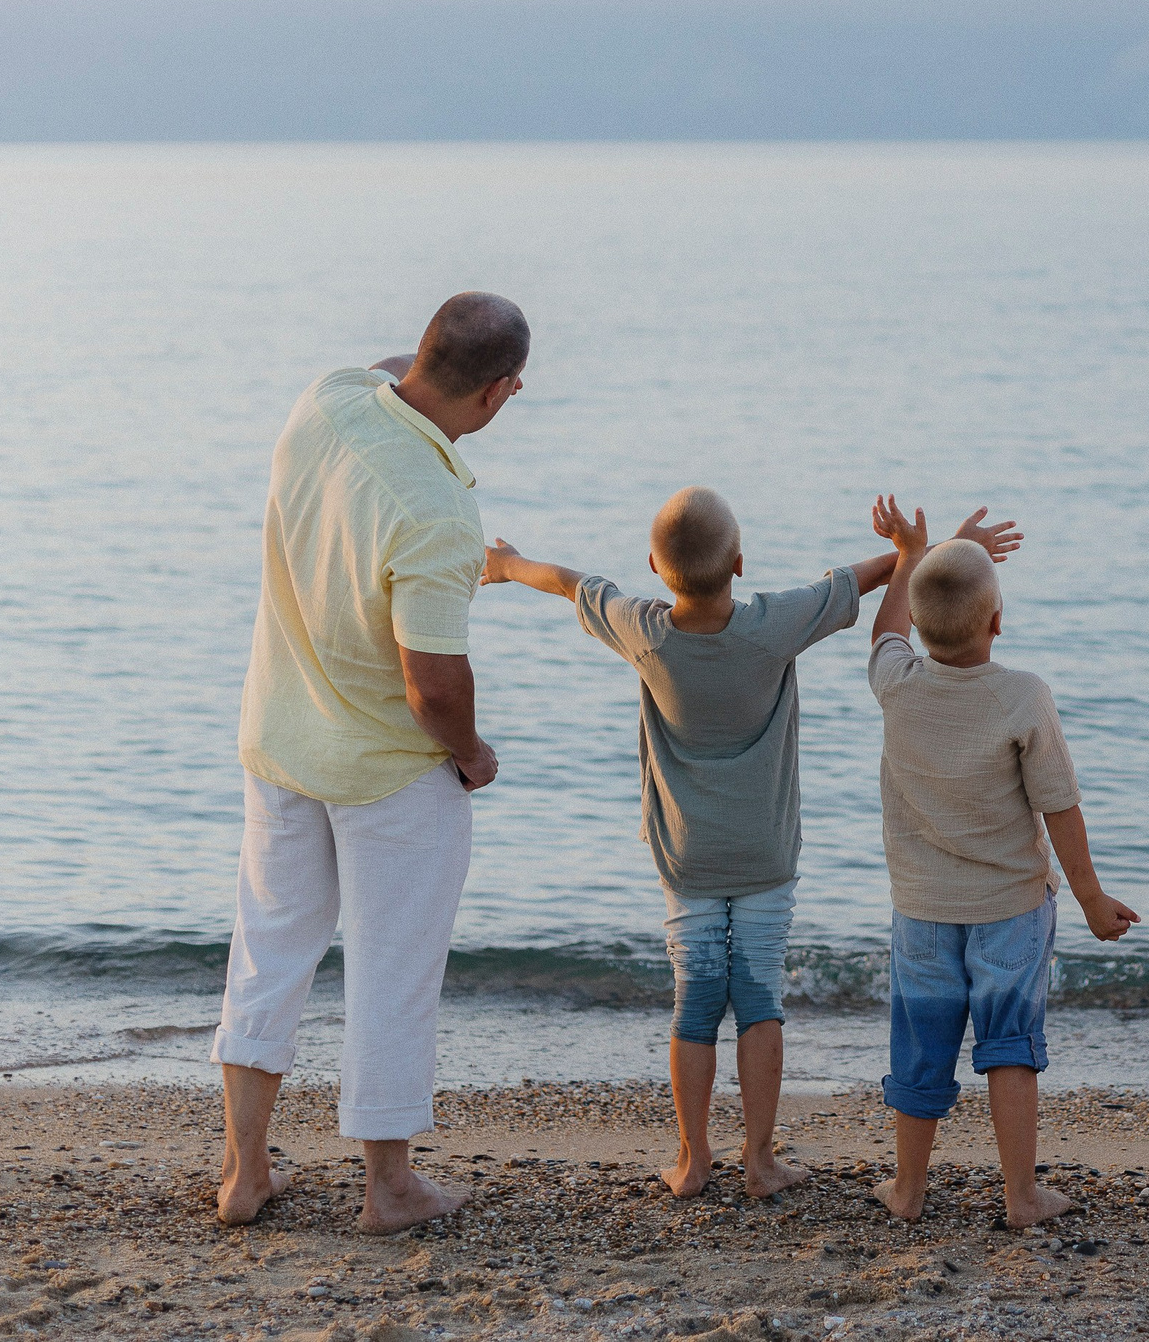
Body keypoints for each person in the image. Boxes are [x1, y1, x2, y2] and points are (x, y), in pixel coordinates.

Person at [483, 490, 1015, 1199]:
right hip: (765, 855)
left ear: (654, 565)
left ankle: (692, 1156)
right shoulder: (772, 625)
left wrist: (507, 563)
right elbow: (868, 579)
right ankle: (760, 1160)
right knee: (760, 999)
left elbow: (568, 580)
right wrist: (931, 548)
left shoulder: (643, 630)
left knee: (695, 1001)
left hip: (686, 857)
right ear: (739, 562)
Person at [211, 292, 529, 1234]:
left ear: (420, 354)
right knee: (392, 974)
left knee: (266, 953)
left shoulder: (327, 399)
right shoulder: (437, 511)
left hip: (279, 738)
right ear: (502, 394)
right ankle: (389, 1188)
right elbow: (433, 684)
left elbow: (395, 371)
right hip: (388, 774)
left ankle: (243, 1170)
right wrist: (470, 755)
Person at [862, 496, 1140, 1229]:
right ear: (998, 620)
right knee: (1010, 1047)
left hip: (922, 909)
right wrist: (1090, 896)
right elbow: (1061, 806)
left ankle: (909, 1190)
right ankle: (1021, 1196)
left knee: (921, 1049)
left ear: (921, 630)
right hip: (1011, 910)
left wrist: (913, 552)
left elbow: (887, 625)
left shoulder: (897, 681)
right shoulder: (1023, 696)